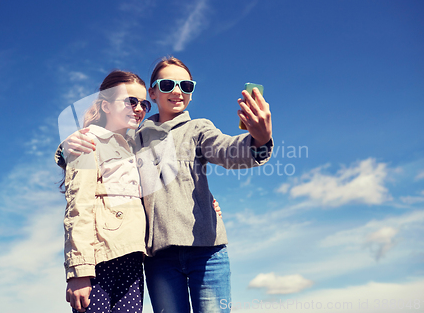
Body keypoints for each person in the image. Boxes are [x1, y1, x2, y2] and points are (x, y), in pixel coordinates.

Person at [59, 57, 273, 313]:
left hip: (206, 251)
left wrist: (259, 139)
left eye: (186, 86)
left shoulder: (199, 128)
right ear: (153, 92)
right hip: (158, 258)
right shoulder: (133, 137)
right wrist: (64, 149)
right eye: (168, 83)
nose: (177, 91)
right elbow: (99, 150)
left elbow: (227, 151)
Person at [61, 70, 151, 313]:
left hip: (133, 259)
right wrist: (79, 271)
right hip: (99, 261)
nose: (139, 108)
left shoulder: (137, 148)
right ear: (106, 106)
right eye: (131, 101)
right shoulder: (88, 142)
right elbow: (78, 207)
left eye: (144, 103)